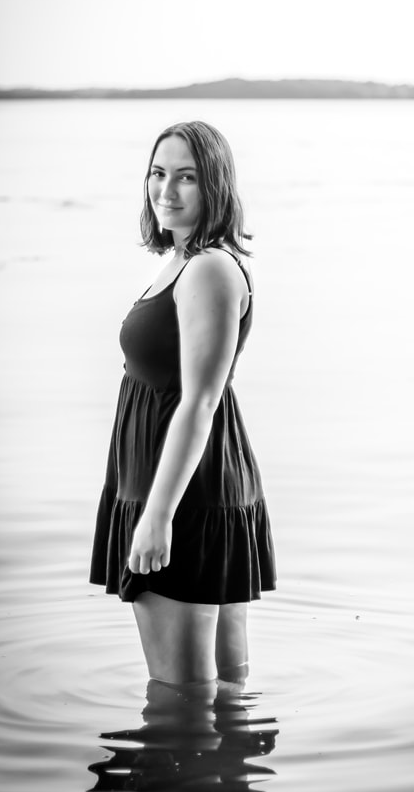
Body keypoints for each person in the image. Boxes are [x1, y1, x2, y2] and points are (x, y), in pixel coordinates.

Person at [90, 121, 276, 687]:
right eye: (158, 173)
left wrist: (157, 515)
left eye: (187, 177)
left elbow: (198, 403)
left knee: (179, 702)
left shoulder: (209, 269)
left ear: (215, 185)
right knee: (221, 693)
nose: (166, 190)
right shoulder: (183, 260)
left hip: (184, 494)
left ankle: (184, 776)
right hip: (191, 484)